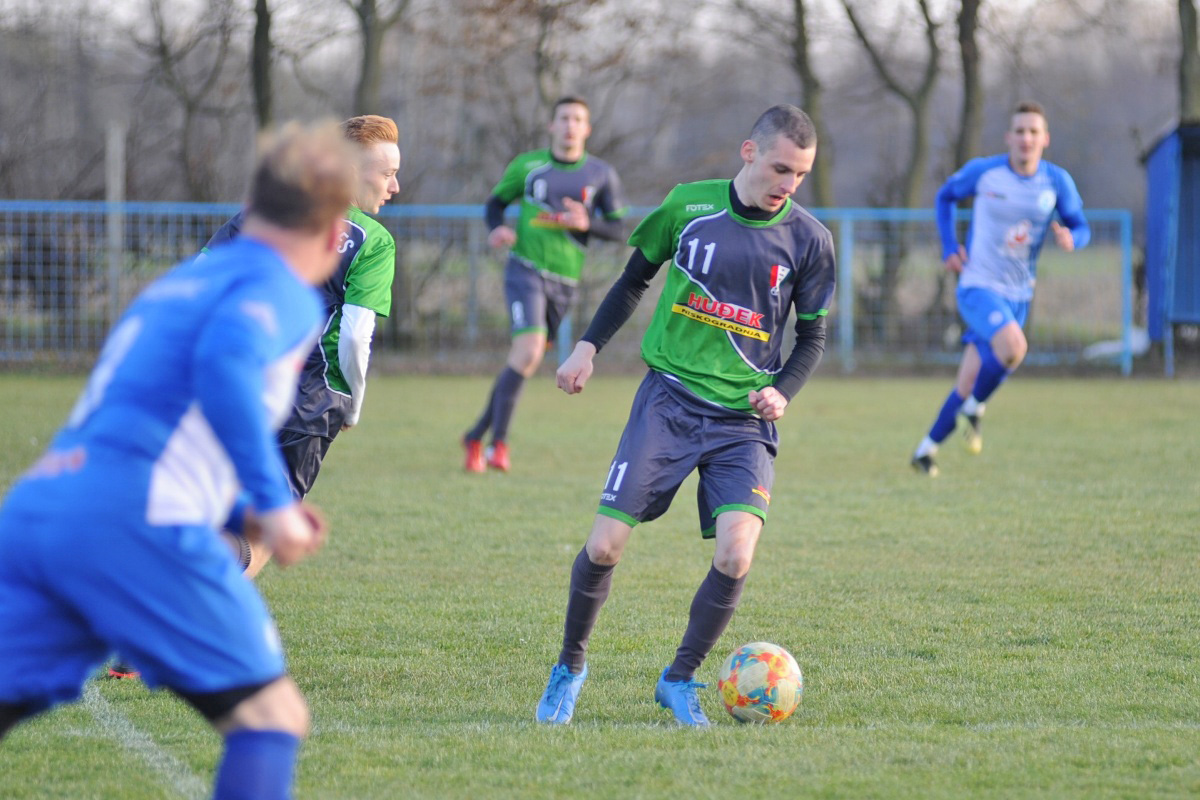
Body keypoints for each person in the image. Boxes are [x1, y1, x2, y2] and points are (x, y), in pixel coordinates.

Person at [0, 120, 352, 799]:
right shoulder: (281, 289)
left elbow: (152, 425)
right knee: (271, 718)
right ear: (335, 232)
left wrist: (241, 511)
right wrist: (275, 504)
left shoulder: (177, 286)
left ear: (249, 207)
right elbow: (224, 368)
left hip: (42, 509)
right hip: (136, 521)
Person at [535, 104, 835, 727]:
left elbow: (812, 337)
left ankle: (679, 679)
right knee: (605, 546)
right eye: (781, 168)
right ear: (749, 152)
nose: (789, 183)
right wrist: (587, 348)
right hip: (668, 402)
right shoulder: (688, 206)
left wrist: (783, 391)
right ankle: (569, 667)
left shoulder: (810, 240)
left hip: (743, 420)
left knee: (736, 556)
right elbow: (633, 280)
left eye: (801, 174)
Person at [202, 114, 400, 574]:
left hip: (233, 381)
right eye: (387, 173)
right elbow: (355, 336)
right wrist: (351, 405)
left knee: (217, 507)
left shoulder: (264, 214)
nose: (395, 186)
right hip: (310, 400)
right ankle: (189, 603)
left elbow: (201, 279)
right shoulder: (373, 241)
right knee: (264, 532)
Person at [910, 102, 1090, 476]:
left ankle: (925, 451)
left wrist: (1073, 238)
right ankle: (975, 410)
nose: (1026, 138)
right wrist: (949, 246)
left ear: (1045, 139)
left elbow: (1080, 225)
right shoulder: (985, 172)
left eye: (1033, 131)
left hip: (1019, 295)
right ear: (1009, 137)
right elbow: (945, 196)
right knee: (1014, 348)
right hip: (978, 286)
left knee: (968, 382)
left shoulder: (1057, 182)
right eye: (1020, 131)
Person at [463, 96, 629, 473]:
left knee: (525, 359)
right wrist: (497, 228)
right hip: (525, 269)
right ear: (552, 125)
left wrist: (587, 224)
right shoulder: (528, 166)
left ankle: (474, 436)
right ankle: (498, 446)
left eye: (577, 120)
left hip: (565, 281)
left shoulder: (601, 174)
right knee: (529, 350)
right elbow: (494, 204)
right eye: (564, 118)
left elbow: (620, 229)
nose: (570, 125)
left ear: (587, 129)